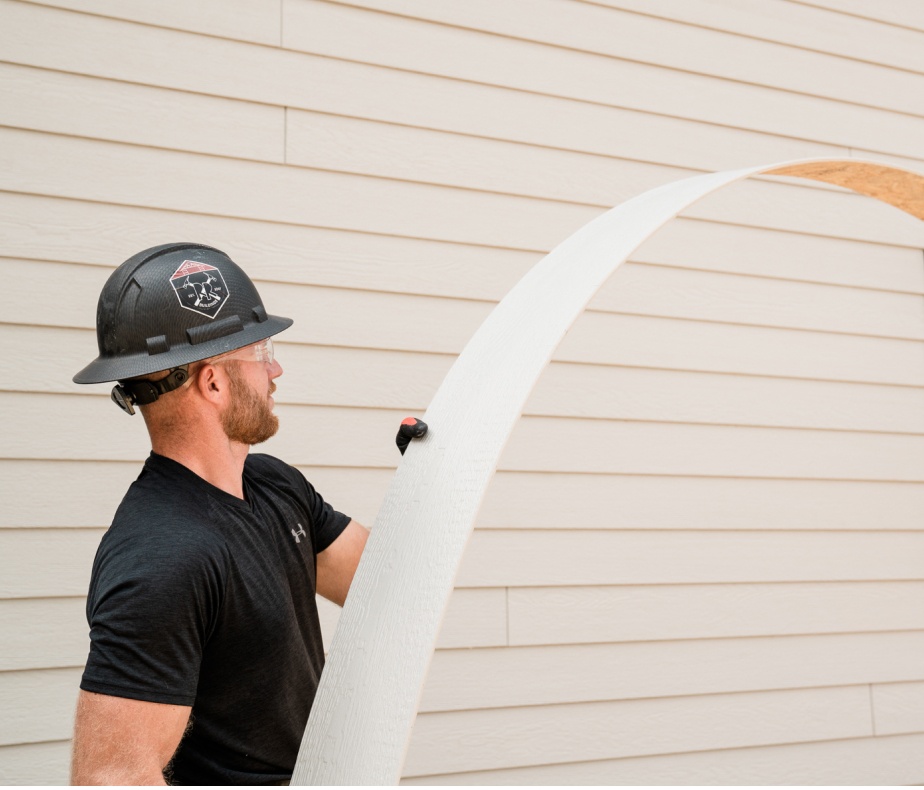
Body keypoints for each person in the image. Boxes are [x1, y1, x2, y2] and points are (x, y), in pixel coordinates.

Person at [69, 243, 419, 785]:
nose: (276, 368)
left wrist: (424, 478)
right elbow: (111, 777)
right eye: (262, 352)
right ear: (213, 382)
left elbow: (381, 583)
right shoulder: (160, 557)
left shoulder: (273, 483)